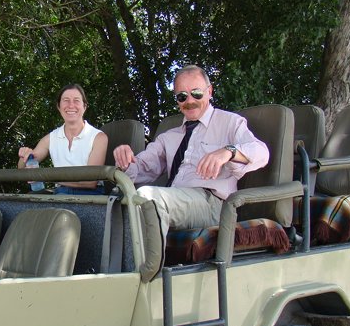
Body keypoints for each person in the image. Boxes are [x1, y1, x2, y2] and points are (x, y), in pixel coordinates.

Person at [113, 64, 269, 236]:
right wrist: (124, 161)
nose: (190, 101)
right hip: (174, 198)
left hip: (211, 204)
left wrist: (228, 151)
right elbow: (142, 167)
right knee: (118, 202)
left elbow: (262, 152)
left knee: (146, 198)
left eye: (196, 93)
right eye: (182, 96)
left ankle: (149, 264)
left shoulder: (230, 122)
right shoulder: (169, 136)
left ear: (209, 91)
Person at [18, 84, 109, 195]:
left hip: (92, 196)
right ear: (59, 106)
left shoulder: (99, 137)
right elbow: (23, 169)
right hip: (61, 194)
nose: (71, 105)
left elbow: (90, 182)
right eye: (66, 100)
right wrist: (25, 156)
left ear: (84, 106)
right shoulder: (51, 138)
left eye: (76, 100)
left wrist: (47, 177)